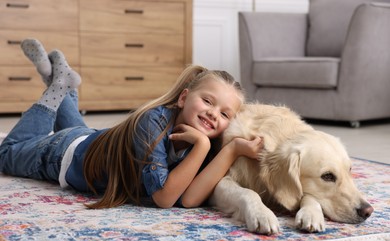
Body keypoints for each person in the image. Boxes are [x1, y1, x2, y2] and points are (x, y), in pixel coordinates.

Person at [0, 39, 263, 209]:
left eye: (225, 114)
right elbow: (164, 197)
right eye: (207, 101)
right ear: (183, 97)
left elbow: (189, 199)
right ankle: (56, 88)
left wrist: (230, 149)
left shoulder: (204, 144)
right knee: (6, 153)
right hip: (61, 155)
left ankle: (60, 80)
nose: (214, 114)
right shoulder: (153, 121)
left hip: (88, 140)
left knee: (76, 133)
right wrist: (203, 144)